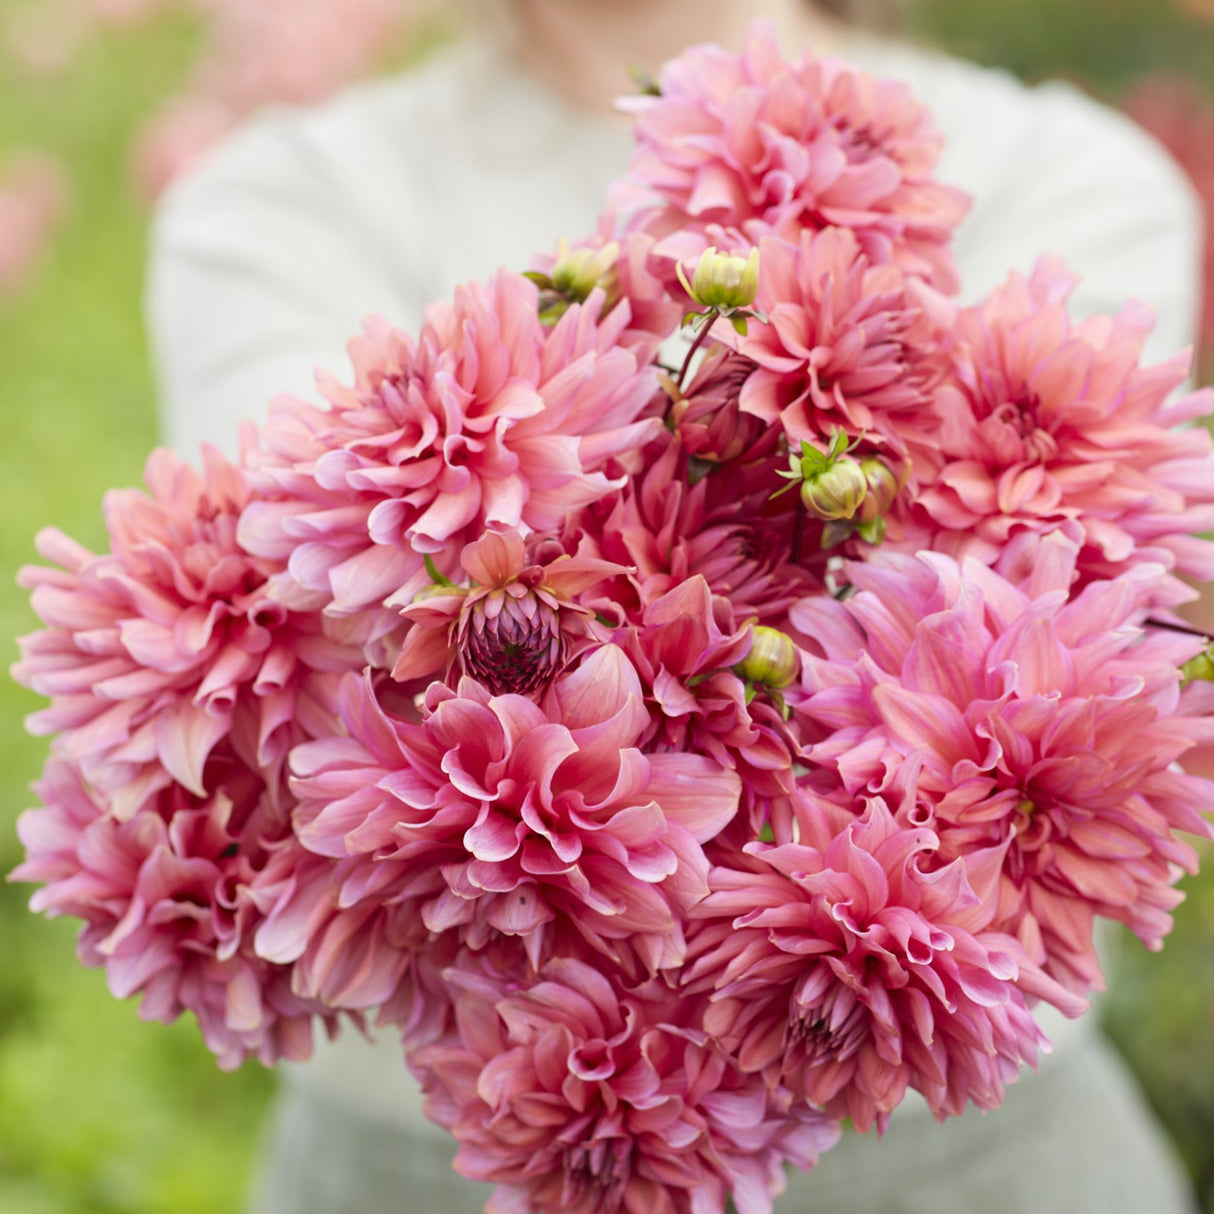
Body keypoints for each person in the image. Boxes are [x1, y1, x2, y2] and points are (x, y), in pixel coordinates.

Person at [146, 1, 1204, 1210]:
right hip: (431, 1168)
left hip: (973, 1170)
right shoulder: (275, 195)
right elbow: (312, 615)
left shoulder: (1058, 170)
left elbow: (1068, 592)